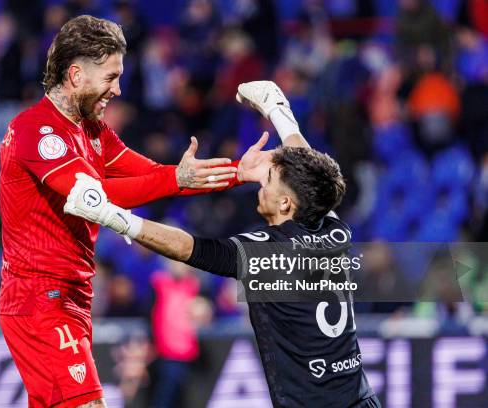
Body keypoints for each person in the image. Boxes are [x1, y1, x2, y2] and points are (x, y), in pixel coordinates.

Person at [0, 15, 269, 408]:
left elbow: (157, 175)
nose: (118, 89)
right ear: (75, 75)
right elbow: (97, 196)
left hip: (71, 294)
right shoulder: (38, 133)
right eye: (110, 77)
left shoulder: (91, 131)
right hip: (41, 296)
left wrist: (238, 172)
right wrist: (178, 179)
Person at [66, 81, 381, 408]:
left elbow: (189, 248)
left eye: (269, 180)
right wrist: (277, 110)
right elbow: (310, 169)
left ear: (287, 204)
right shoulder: (332, 229)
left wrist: (113, 216)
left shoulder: (269, 253)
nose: (262, 182)